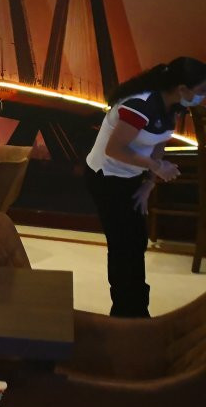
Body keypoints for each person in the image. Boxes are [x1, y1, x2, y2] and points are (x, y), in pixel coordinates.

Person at [85, 56, 206, 317]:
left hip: (131, 176)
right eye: (201, 91)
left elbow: (160, 141)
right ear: (182, 88)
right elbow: (115, 149)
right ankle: (126, 313)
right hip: (107, 177)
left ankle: (136, 309)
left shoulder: (173, 106)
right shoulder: (140, 104)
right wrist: (155, 166)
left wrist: (149, 183)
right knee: (123, 245)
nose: (203, 97)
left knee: (136, 241)